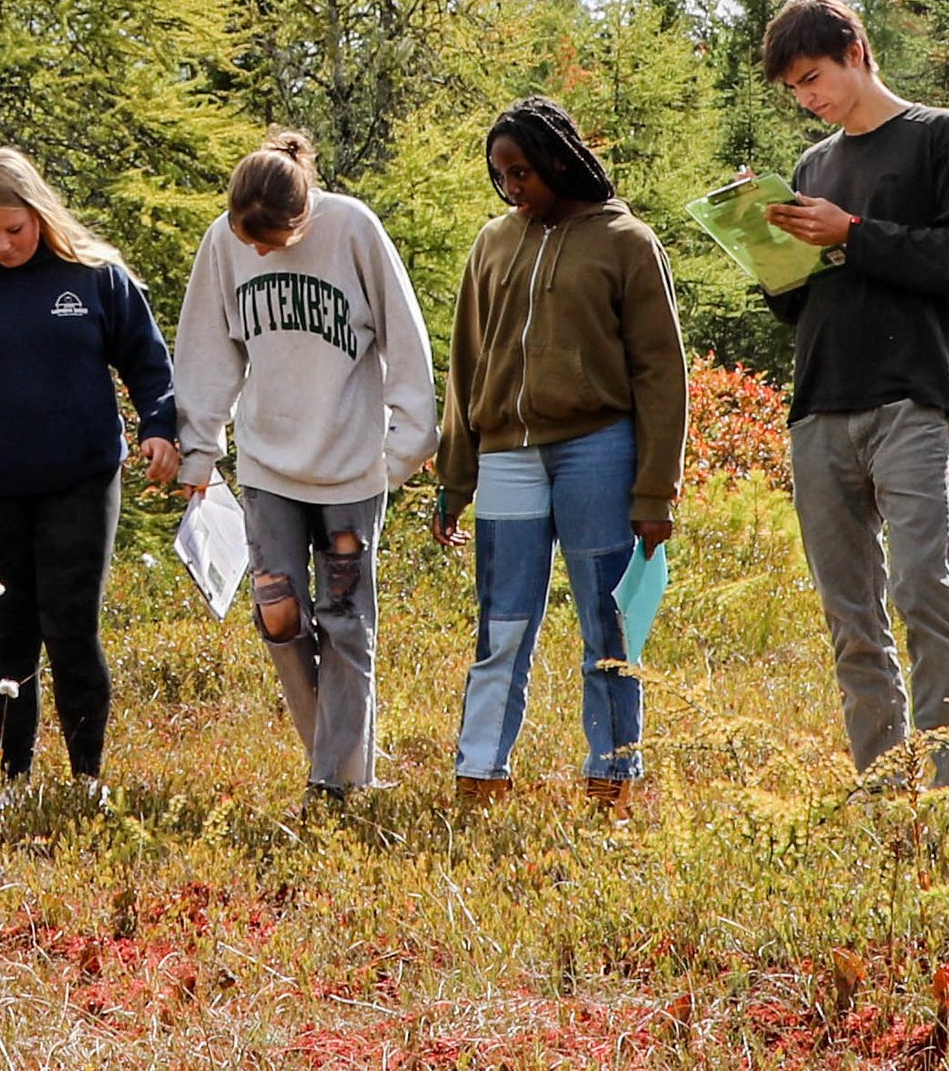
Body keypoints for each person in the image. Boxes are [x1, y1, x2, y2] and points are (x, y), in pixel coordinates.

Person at [752, 0, 949, 793]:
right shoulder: (813, 167)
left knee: (921, 583)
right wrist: (764, 240)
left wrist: (852, 234)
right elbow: (793, 300)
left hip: (912, 392)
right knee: (848, 609)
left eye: (814, 76)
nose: (807, 97)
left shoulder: (939, 135)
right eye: (794, 88)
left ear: (857, 50)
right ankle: (883, 781)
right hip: (821, 399)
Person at [0, 147, 182, 800]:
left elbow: (148, 360)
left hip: (81, 477)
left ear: (40, 215)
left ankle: (86, 779)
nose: (2, 244)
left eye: (14, 230)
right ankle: (14, 779)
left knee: (72, 626)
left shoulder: (95, 276)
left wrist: (160, 426)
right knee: (8, 633)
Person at [431, 97, 686, 809]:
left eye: (523, 171)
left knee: (608, 622)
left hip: (598, 449)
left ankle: (612, 772)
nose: (513, 187)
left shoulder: (627, 241)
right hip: (507, 453)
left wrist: (655, 491)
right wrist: (455, 476)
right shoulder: (493, 243)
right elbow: (466, 363)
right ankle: (480, 771)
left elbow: (662, 373)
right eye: (501, 175)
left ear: (558, 158)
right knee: (502, 620)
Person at [170, 131, 437, 804]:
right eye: (247, 236)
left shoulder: (352, 229)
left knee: (346, 618)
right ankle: (341, 764)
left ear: (303, 213)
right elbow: (207, 348)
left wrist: (408, 446)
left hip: (350, 461)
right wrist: (199, 449)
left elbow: (405, 338)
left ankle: (337, 782)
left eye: (271, 238)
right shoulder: (222, 243)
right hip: (267, 463)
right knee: (279, 614)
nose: (257, 249)